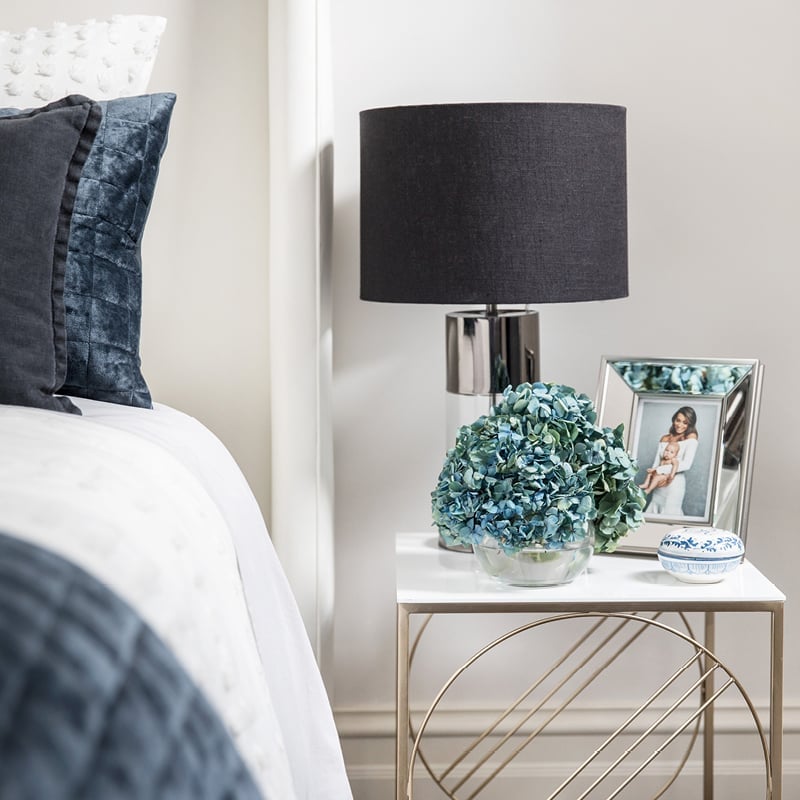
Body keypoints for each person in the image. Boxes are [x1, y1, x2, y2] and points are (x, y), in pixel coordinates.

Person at [647, 406, 699, 516]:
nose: (680, 425)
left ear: (690, 425)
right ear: (674, 419)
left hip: (675, 484)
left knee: (670, 513)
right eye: (678, 420)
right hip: (659, 484)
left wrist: (660, 470)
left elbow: (686, 464)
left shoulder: (691, 438)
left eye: (685, 423)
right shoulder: (664, 438)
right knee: (654, 511)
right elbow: (656, 462)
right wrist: (652, 477)